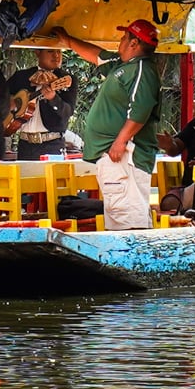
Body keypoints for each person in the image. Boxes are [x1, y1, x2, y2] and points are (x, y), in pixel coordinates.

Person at [52, 18, 161, 231]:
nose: (120, 40)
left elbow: (141, 109)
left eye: (124, 37)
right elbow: (97, 55)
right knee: (119, 213)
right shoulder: (123, 65)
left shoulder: (141, 69)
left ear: (134, 44)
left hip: (126, 155)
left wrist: (120, 142)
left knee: (127, 217)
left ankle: (130, 259)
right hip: (115, 156)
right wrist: (68, 41)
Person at [3, 49, 77, 160]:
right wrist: (9, 104)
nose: (56, 55)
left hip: (52, 145)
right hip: (25, 144)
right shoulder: (22, 77)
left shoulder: (66, 79)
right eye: (50, 51)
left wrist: (53, 98)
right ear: (37, 52)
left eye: (59, 52)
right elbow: (0, 98)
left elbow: (68, 112)